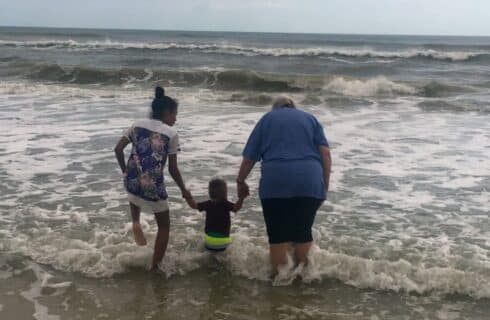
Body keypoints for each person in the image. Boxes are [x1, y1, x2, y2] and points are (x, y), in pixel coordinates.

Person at [236, 96, 331, 272]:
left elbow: (249, 159)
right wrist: (324, 186)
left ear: (275, 109)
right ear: (293, 107)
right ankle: (303, 280)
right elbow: (325, 154)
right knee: (303, 232)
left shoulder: (267, 119)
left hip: (276, 182)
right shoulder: (310, 119)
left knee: (278, 236)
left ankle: (279, 285)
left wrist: (241, 181)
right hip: (309, 180)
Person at [114, 86, 191, 270]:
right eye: (174, 114)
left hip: (131, 180)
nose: (176, 118)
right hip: (152, 186)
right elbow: (173, 169)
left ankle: (135, 222)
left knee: (136, 188)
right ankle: (155, 267)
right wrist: (183, 190)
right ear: (166, 113)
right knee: (164, 226)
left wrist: (125, 171)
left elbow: (117, 149)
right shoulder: (171, 134)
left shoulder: (137, 124)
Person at [185, 178, 245, 251]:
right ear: (225, 193)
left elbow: (193, 205)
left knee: (209, 254)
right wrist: (241, 197)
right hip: (223, 241)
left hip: (209, 241)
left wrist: (188, 197)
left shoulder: (208, 204)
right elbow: (236, 208)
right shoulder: (226, 204)